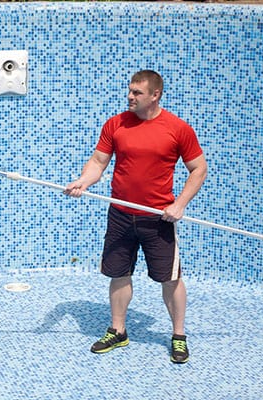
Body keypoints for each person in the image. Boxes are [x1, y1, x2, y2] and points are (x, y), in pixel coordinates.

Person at [64, 70, 207, 364]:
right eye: (130, 91)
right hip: (120, 214)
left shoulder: (178, 129)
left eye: (137, 93)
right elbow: (98, 161)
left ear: (155, 95)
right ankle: (118, 330)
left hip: (158, 219)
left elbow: (199, 169)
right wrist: (84, 181)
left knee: (169, 278)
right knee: (118, 273)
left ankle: (178, 335)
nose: (130, 96)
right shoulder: (116, 124)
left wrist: (179, 204)